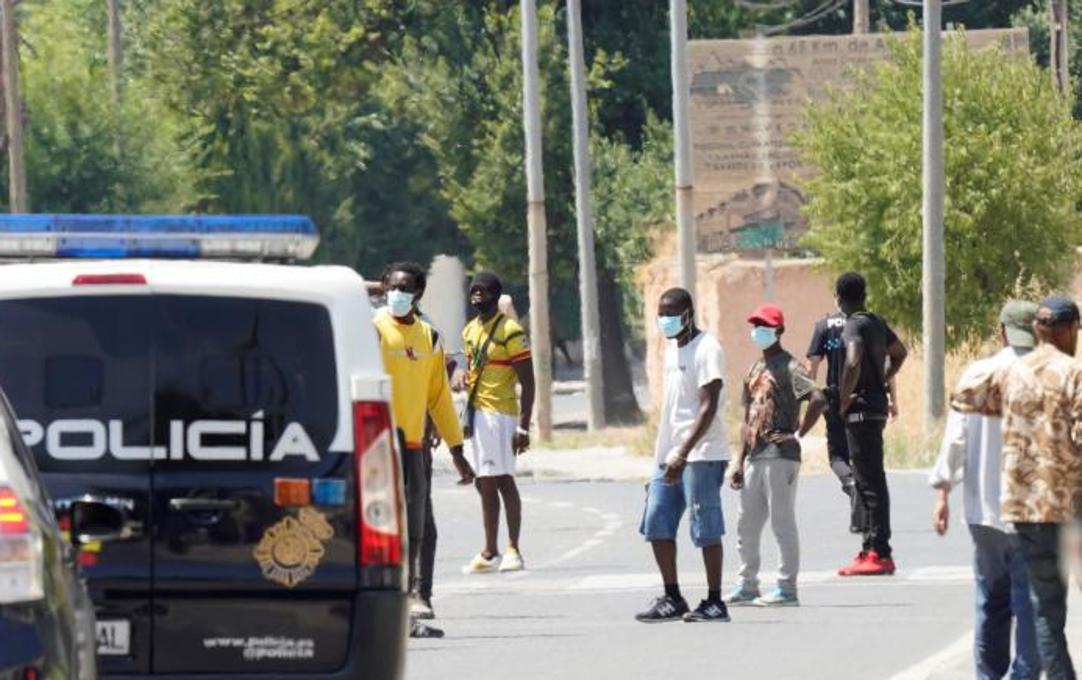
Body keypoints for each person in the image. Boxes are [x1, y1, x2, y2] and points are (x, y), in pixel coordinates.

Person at [953, 295, 1082, 680]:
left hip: (1025, 510)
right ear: (1064, 330)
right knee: (1049, 607)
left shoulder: (1011, 374)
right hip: (1067, 507)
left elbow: (964, 397)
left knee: (1046, 609)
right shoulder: (1072, 373)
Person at [930, 300, 1040, 680]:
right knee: (1031, 608)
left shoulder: (977, 373)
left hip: (983, 514)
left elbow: (956, 440)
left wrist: (942, 493)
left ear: (1001, 332)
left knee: (990, 604)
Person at [373, 262, 476, 638]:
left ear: (418, 295)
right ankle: (387, 604)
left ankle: (416, 598)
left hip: (415, 446)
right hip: (377, 448)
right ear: (384, 287)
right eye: (393, 287)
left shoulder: (429, 338)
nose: (398, 294)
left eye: (406, 289)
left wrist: (458, 450)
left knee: (417, 527)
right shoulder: (372, 331)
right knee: (381, 528)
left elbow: (439, 399)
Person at [636, 287, 731, 623]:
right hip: (669, 453)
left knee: (705, 526)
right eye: (661, 314)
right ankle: (673, 596)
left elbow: (708, 405)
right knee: (656, 520)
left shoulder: (707, 349)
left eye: (672, 314)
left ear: (689, 314)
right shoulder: (670, 351)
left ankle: (715, 601)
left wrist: (684, 452)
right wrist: (667, 455)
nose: (665, 320)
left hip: (702, 452)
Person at [727, 304, 825, 608]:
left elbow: (818, 397)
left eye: (766, 326)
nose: (759, 331)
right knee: (747, 524)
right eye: (756, 325)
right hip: (755, 455)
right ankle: (747, 584)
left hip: (780, 454)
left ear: (779, 331)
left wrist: (798, 433)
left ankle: (786, 587)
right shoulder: (754, 370)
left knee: (782, 522)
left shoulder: (791, 367)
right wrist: (738, 460)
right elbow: (747, 418)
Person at [457, 272, 535, 574]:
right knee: (484, 481)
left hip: (501, 414)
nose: (477, 296)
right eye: (473, 291)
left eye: (483, 291)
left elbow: (528, 383)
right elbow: (474, 370)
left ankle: (513, 548)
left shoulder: (511, 331)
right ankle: (490, 551)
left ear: (496, 294)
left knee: (502, 480)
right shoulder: (469, 331)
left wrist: (523, 426)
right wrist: (462, 378)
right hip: (477, 413)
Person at [835, 272, 908, 576]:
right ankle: (871, 547)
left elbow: (852, 361)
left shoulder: (853, 324)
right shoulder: (876, 322)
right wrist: (882, 376)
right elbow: (900, 353)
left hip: (861, 410)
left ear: (839, 297)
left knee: (868, 482)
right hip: (875, 409)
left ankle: (878, 551)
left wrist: (844, 397)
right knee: (872, 480)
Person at [807, 308, 867, 535]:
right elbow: (884, 360)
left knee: (837, 455)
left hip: (834, 397)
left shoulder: (823, 325)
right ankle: (864, 508)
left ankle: (851, 484)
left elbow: (812, 365)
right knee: (860, 452)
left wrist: (810, 397)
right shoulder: (866, 322)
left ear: (837, 296)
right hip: (863, 397)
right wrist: (892, 399)